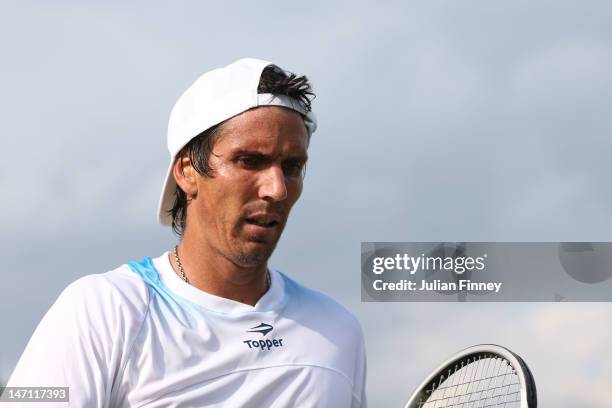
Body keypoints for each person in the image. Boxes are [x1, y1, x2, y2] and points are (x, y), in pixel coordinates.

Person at [6, 58, 367, 407]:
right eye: (250, 161)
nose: (277, 188)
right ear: (186, 171)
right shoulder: (101, 309)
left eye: (292, 166)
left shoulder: (338, 330)